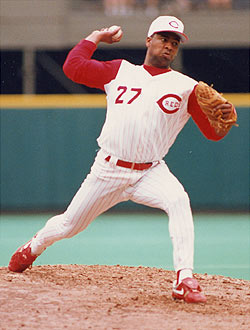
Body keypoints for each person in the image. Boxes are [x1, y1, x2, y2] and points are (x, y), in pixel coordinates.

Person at [8, 16, 236, 303]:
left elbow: (213, 135)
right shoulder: (120, 71)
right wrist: (95, 37)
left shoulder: (187, 87)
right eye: (163, 38)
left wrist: (223, 119)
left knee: (178, 200)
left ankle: (184, 278)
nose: (168, 45)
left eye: (174, 42)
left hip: (151, 171)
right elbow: (73, 68)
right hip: (108, 170)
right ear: (148, 40)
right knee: (68, 225)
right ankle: (35, 245)